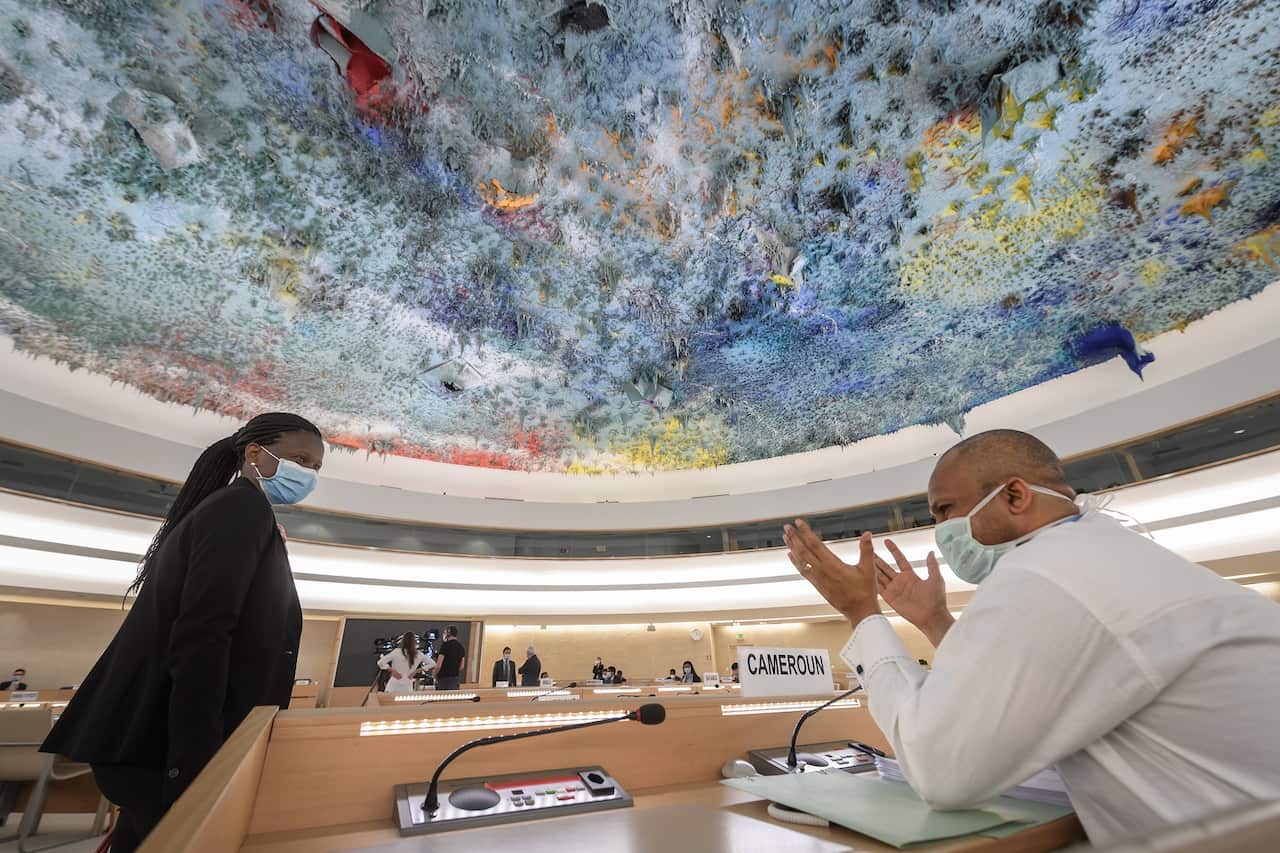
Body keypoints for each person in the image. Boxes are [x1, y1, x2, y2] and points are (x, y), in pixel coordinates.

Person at [785, 428, 1280, 844]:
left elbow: (943, 772)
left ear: (1015, 496)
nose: (938, 529)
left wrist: (862, 613)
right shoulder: (1097, 553)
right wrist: (935, 622)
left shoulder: (1045, 574)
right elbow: (1019, 692)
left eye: (944, 511)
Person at [40, 413, 323, 853]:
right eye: (299, 459)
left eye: (315, 468)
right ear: (254, 454)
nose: (306, 474)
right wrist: (194, 764)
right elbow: (203, 636)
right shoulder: (240, 509)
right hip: (170, 745)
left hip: (163, 741)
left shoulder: (241, 512)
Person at [433, 626, 466, 690]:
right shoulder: (461, 647)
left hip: (443, 679)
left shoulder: (445, 646)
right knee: (451, 699)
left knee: (441, 698)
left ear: (448, 633)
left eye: (444, 632)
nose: (443, 634)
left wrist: (434, 674)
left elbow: (438, 665)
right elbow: (462, 666)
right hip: (455, 679)